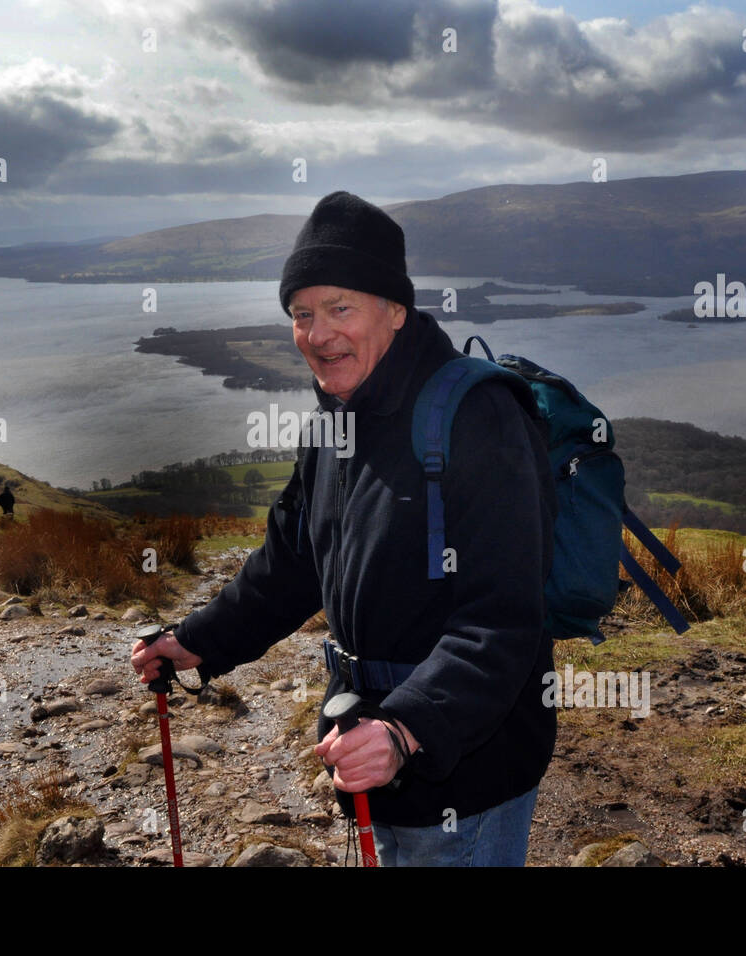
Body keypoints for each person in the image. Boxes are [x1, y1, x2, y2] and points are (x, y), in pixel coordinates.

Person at [131, 190, 556, 866]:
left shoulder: (478, 418)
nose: (318, 334)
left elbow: (502, 621)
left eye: (340, 309)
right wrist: (198, 644)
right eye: (302, 314)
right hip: (368, 740)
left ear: (395, 310)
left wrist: (407, 730)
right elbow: (291, 563)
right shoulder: (337, 421)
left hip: (463, 768)